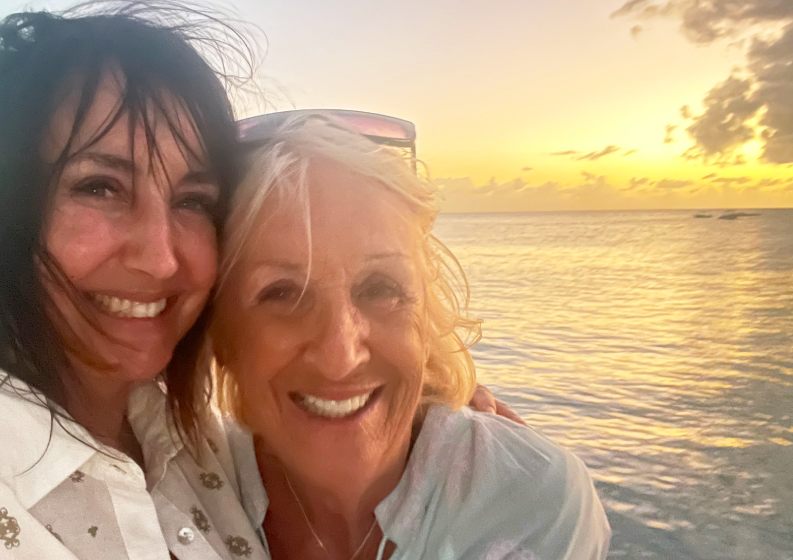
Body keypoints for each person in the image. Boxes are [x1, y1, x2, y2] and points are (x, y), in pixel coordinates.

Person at [0, 4, 514, 559]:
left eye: (193, 201)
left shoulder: (212, 461)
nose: (162, 258)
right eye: (101, 187)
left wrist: (431, 441)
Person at [209, 115, 611, 560]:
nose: (340, 356)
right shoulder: (177, 496)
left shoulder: (528, 506)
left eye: (381, 288)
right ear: (223, 336)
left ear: (426, 311)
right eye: (282, 292)